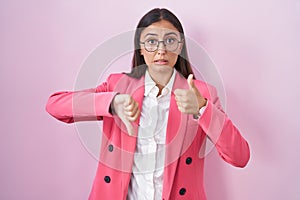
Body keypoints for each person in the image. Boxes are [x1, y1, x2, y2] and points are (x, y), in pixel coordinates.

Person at [46, 8, 250, 200]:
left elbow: (240, 157)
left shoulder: (202, 94)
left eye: (170, 41)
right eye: (151, 41)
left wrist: (203, 109)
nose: (161, 50)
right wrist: (112, 102)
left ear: (179, 47)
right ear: (140, 48)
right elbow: (55, 105)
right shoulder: (118, 85)